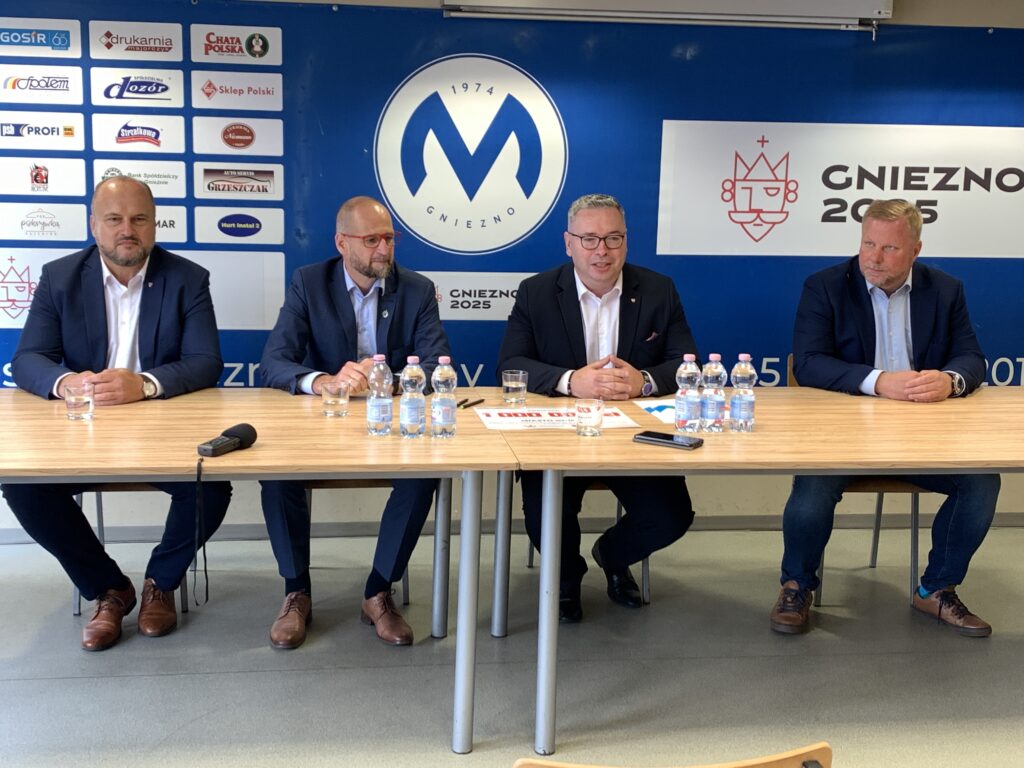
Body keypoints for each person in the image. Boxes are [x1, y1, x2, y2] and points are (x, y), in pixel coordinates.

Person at [1, 176, 232, 651]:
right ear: (94, 225)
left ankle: (160, 583)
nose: (127, 229)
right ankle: (109, 588)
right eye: (114, 219)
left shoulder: (187, 278)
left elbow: (206, 361)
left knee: (211, 487)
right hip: (83, 432)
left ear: (154, 224)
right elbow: (28, 359)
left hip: (159, 431)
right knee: (23, 486)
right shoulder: (60, 277)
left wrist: (143, 384)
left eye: (139, 219)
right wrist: (67, 383)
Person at [770, 199, 1000, 637]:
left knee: (981, 481)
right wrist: (879, 382)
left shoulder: (945, 289)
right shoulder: (825, 286)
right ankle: (796, 585)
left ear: (915, 250)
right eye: (867, 244)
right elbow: (809, 362)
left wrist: (949, 380)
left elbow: (970, 357)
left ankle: (935, 589)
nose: (874, 258)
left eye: (889, 248)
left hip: (921, 438)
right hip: (843, 436)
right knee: (812, 487)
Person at [496, 193, 698, 623]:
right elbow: (511, 364)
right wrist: (572, 381)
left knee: (672, 516)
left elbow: (686, 363)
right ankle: (567, 579)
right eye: (589, 239)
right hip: (559, 434)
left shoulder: (658, 290)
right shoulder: (536, 292)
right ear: (569, 243)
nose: (601, 251)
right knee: (545, 511)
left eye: (612, 238)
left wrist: (643, 381)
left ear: (626, 241)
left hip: (632, 437)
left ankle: (611, 554)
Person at [259, 195, 450, 649]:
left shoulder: (417, 289)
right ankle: (296, 591)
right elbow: (274, 362)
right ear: (342, 243)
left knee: (424, 476)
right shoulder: (309, 283)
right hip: (325, 419)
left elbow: (436, 364)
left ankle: (378, 591)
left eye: (389, 238)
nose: (384, 249)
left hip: (391, 420)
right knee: (276, 473)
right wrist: (324, 380)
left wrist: (386, 380)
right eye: (371, 240)